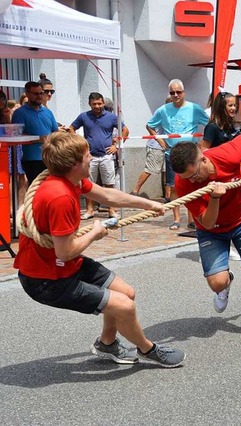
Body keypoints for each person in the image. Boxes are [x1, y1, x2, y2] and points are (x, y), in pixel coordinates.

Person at [14, 132, 185, 367]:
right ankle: (148, 349)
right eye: (87, 156)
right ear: (74, 164)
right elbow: (64, 252)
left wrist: (148, 204)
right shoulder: (60, 196)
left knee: (127, 292)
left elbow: (106, 195)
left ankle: (107, 344)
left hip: (64, 265)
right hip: (46, 279)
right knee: (124, 306)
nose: (92, 158)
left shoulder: (71, 180)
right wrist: (95, 232)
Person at [169, 129, 241, 333]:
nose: (192, 181)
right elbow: (208, 222)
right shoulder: (183, 182)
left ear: (203, 159)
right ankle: (226, 282)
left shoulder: (227, 154)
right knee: (217, 283)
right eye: (187, 177)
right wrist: (214, 198)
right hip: (211, 230)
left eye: (195, 175)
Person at [145, 79, 209, 230]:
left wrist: (203, 143)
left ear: (184, 92)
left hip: (191, 154)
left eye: (178, 92)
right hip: (172, 153)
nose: (175, 95)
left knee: (193, 186)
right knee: (174, 187)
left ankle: (192, 219)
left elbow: (210, 123)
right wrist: (161, 143)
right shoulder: (163, 110)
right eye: (172, 92)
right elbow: (150, 125)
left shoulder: (194, 108)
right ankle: (176, 218)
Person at [69, 92, 130, 220]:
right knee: (88, 184)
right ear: (89, 104)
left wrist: (117, 146)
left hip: (106, 156)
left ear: (103, 103)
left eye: (99, 103)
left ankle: (111, 210)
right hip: (90, 157)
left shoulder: (112, 117)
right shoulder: (84, 116)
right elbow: (71, 129)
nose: (97, 106)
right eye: (94, 104)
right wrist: (79, 144)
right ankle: (90, 210)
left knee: (109, 184)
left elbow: (125, 130)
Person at [11, 81, 59, 185]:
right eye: (36, 94)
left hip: (50, 157)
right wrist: (38, 138)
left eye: (41, 93)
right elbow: (16, 136)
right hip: (32, 160)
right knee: (37, 189)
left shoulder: (48, 112)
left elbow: (56, 132)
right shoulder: (20, 113)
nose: (40, 96)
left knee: (52, 187)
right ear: (27, 94)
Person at [130, 96, 171, 197]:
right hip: (156, 146)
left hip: (167, 146)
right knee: (151, 169)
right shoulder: (163, 112)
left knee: (167, 171)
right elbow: (149, 125)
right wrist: (159, 140)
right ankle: (135, 191)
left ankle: (168, 195)